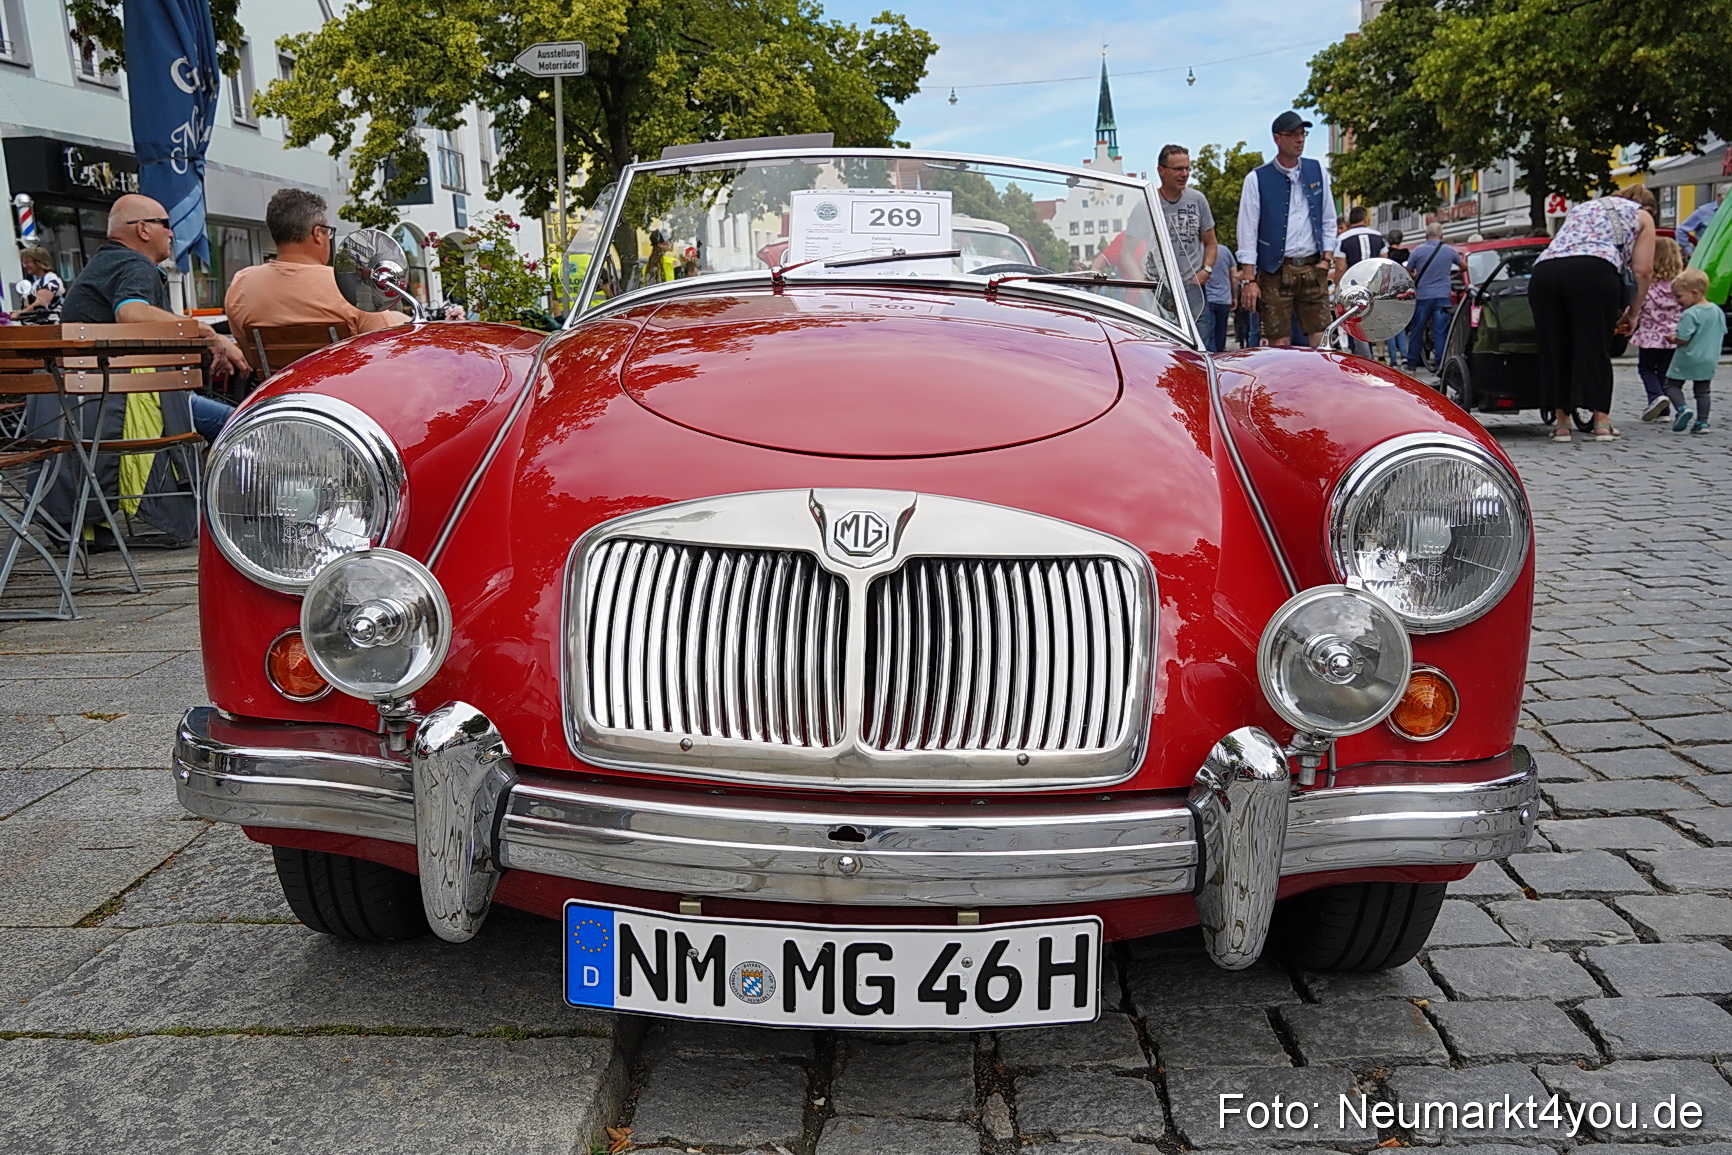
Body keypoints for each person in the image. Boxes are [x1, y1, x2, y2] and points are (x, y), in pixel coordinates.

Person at [61, 193, 249, 440]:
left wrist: (217, 339)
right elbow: (130, 313)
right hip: (129, 406)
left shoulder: (105, 264)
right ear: (143, 230)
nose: (171, 233)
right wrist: (204, 331)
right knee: (246, 426)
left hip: (84, 411)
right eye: (166, 224)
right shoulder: (135, 264)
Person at [1529, 185, 1657, 443]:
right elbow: (1643, 270)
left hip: (1545, 271)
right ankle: (1601, 422)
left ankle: (1562, 424)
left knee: (1555, 346)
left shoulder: (1583, 208)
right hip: (1594, 270)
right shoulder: (1642, 215)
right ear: (1647, 205)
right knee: (1595, 344)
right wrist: (1633, 312)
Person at [226, 189, 408, 365]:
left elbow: (251, 359)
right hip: (343, 393)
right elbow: (388, 353)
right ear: (317, 234)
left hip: (280, 393)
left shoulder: (241, 284)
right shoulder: (353, 286)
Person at [1236, 111, 1337, 348]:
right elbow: (1247, 230)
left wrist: (1326, 258)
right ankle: (1284, 384)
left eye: (1302, 134)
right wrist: (1249, 279)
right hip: (1275, 269)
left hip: (1313, 264)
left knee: (1321, 335)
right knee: (1277, 337)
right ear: (1277, 138)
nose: (1300, 139)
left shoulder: (1317, 170)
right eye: (1292, 134)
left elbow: (1329, 218)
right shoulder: (1257, 178)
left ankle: (1320, 383)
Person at [1153, 144, 1219, 324]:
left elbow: (1211, 243)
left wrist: (1206, 270)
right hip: (1161, 291)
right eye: (1178, 169)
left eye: (1187, 168)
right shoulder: (1148, 203)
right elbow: (1130, 250)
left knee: (1201, 346)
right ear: (1161, 170)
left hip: (1193, 287)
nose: (1184, 174)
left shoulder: (1197, 199)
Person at [1661, 267, 1725, 434]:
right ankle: (1702, 422)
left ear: (1695, 293)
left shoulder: (1690, 313)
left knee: (1671, 385)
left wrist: (1672, 338)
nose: (1677, 301)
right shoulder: (1716, 311)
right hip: (1709, 357)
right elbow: (1721, 331)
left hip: (1688, 356)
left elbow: (1683, 337)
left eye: (1679, 296)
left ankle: (1682, 408)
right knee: (1703, 391)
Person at [1403, 224, 1467, 373]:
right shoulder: (1448, 251)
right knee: (1441, 331)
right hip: (1443, 296)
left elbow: (1408, 270)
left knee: (1417, 330)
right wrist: (1449, 275)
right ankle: (1440, 364)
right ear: (1442, 235)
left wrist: (1416, 277)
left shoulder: (1418, 251)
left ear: (1426, 235)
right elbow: (1464, 266)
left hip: (1423, 296)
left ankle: (1412, 363)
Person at [1634, 237, 1685, 421]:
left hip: (1649, 335)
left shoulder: (1647, 286)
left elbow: (1638, 307)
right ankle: (1664, 411)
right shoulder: (1681, 286)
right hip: (1673, 336)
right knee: (1664, 371)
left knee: (1646, 369)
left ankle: (1656, 397)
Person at [1335, 207, 1387, 358]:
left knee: (1358, 321)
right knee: (1377, 321)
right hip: (1375, 286)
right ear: (1365, 219)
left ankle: (1365, 357)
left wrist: (1339, 288)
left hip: (1354, 287)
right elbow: (1385, 261)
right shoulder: (1378, 236)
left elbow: (1340, 267)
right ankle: (1381, 355)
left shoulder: (1343, 239)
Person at [14, 245, 64, 324]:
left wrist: (19, 315)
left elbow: (40, 304)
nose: (25, 266)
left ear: (39, 262)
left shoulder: (49, 279)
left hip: (49, 328)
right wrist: (21, 312)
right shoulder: (39, 281)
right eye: (24, 262)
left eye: (28, 262)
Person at [1382, 229, 1409, 364]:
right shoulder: (1406, 254)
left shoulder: (1385, 255)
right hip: (1403, 292)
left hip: (1388, 292)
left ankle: (1393, 358)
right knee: (1401, 325)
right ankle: (1404, 355)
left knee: (1389, 327)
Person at [1202, 257, 1232, 352]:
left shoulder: (1201, 250)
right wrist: (1234, 296)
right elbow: (1234, 275)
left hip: (1208, 298)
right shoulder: (1226, 252)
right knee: (1221, 332)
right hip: (1224, 299)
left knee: (1209, 333)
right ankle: (1220, 354)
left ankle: (1211, 357)